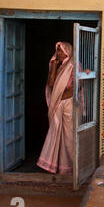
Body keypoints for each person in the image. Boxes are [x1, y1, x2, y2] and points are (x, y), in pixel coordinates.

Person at [37, 41, 74, 174]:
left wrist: (63, 94)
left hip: (68, 103)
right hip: (57, 104)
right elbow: (51, 84)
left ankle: (73, 166)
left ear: (67, 51)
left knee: (68, 135)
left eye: (60, 50)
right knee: (55, 132)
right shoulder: (57, 66)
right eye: (57, 50)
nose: (58, 53)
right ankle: (54, 166)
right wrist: (53, 66)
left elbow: (76, 86)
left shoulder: (74, 66)